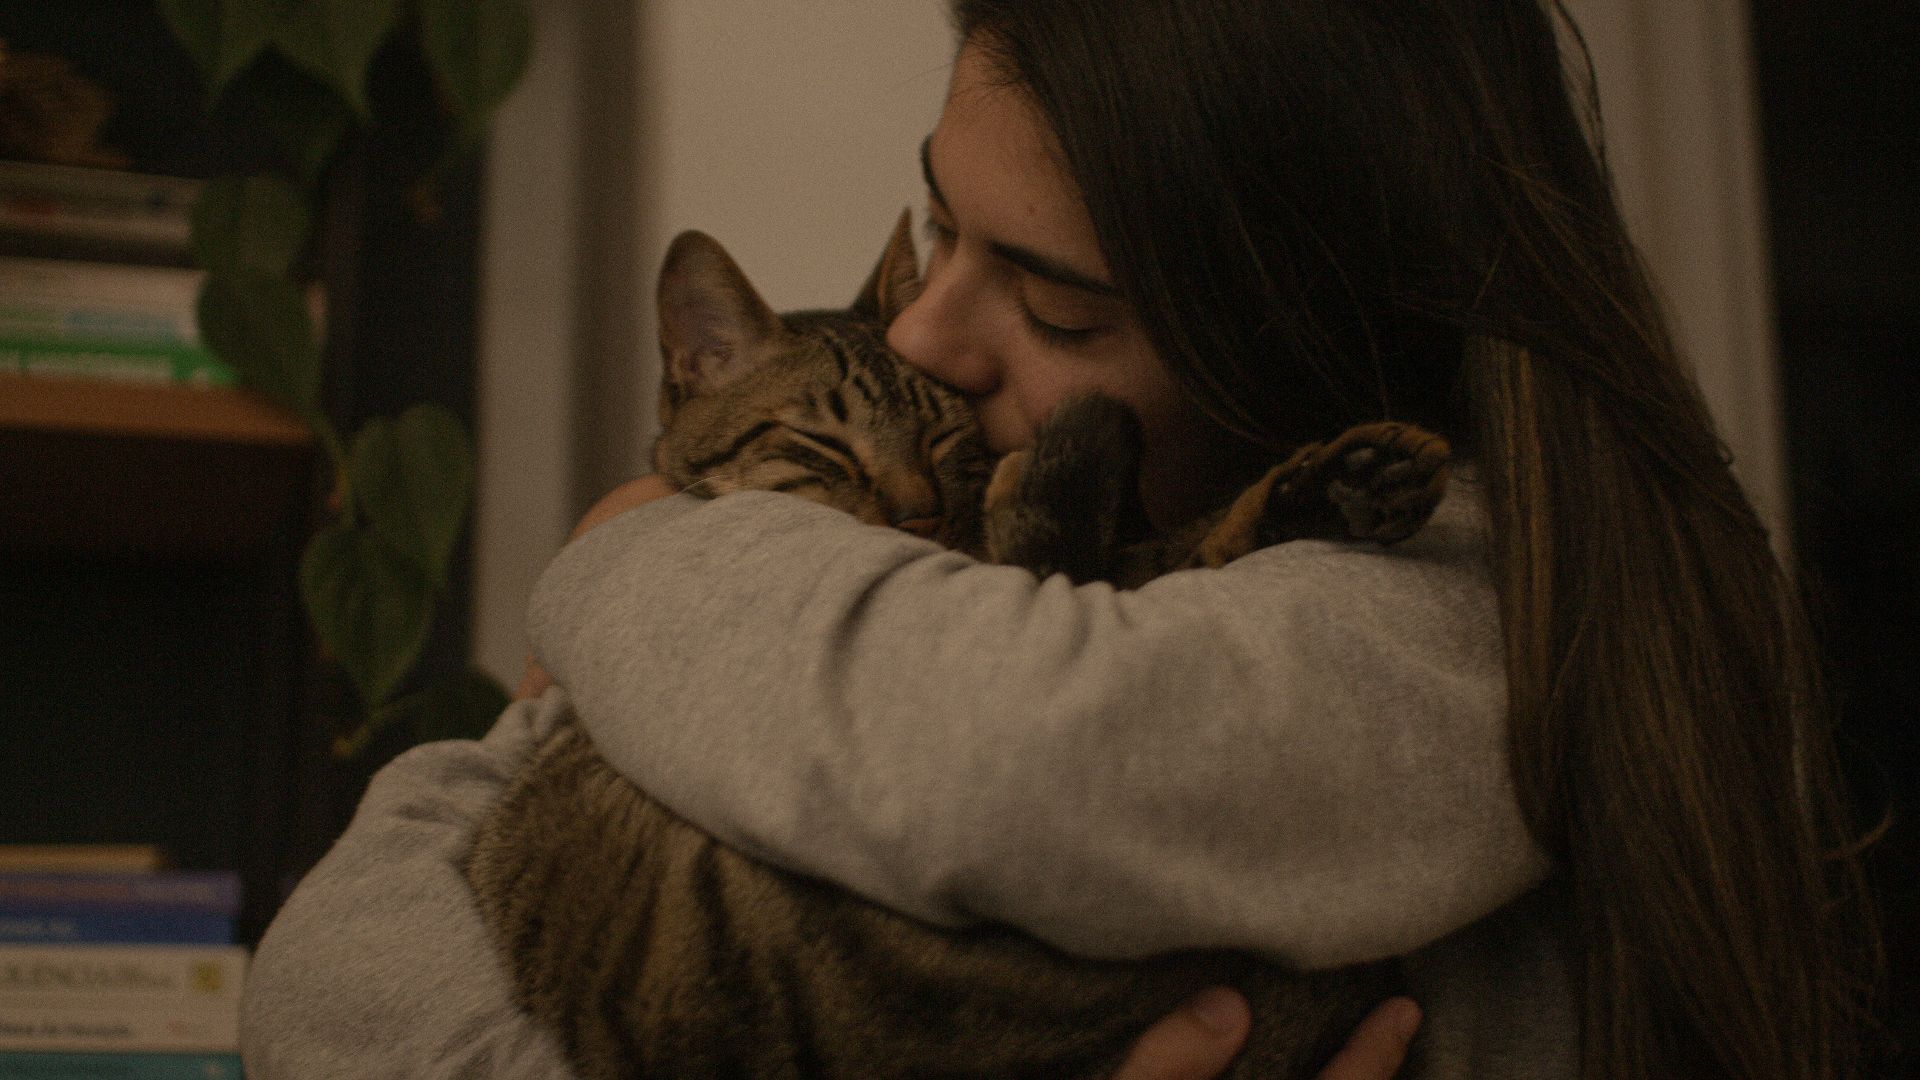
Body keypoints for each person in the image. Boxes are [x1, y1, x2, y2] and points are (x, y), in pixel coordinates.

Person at [242, 1, 1883, 1078]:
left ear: (1307, 350)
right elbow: (316, 984)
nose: (925, 337)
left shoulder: (1463, 616)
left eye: (1058, 306)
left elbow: (1010, 758)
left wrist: (626, 547)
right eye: (939, 223)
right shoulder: (968, 551)